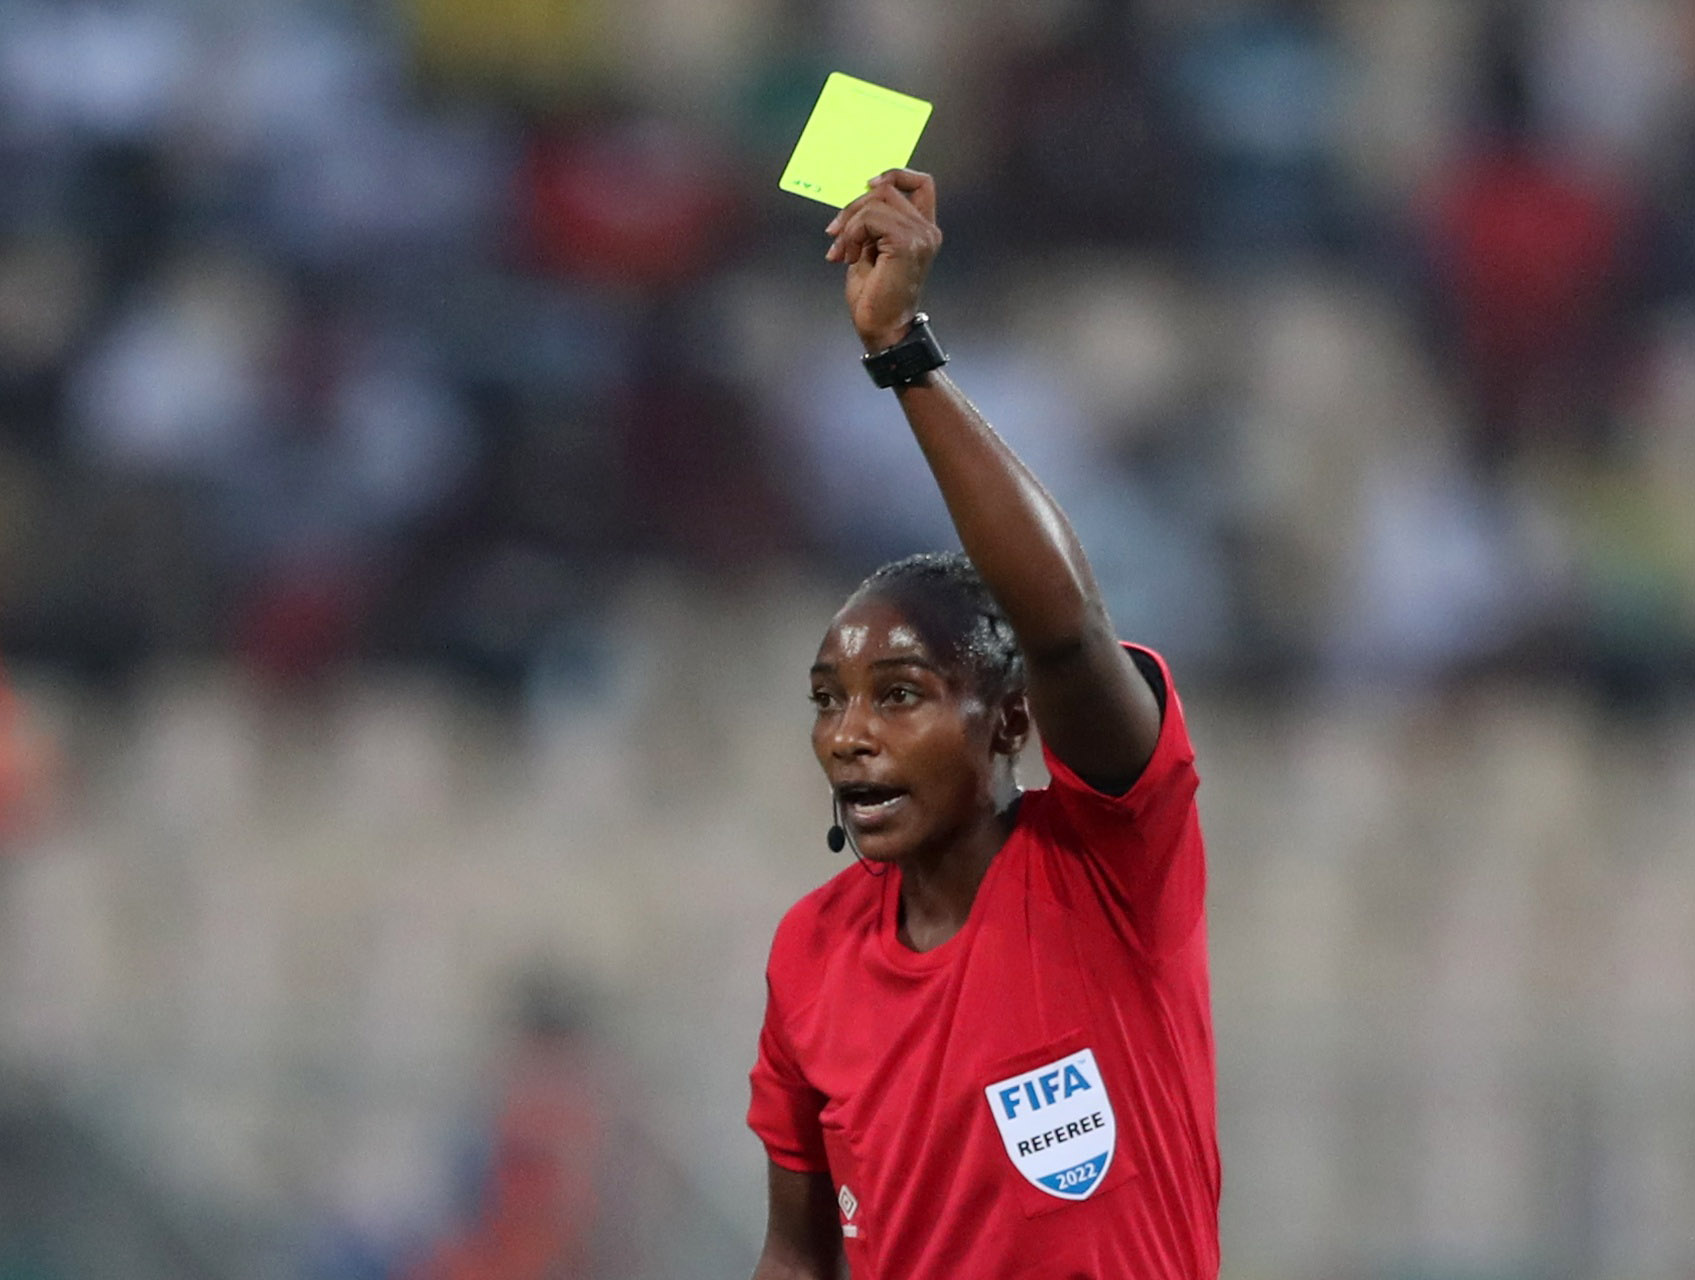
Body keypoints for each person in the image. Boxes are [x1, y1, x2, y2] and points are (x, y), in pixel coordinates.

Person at [746, 170, 1220, 1279]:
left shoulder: (1113, 865)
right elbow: (799, 1258)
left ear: (1007, 720)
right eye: (830, 699)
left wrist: (902, 352)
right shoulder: (810, 954)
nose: (849, 732)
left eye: (899, 691)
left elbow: (1059, 627)